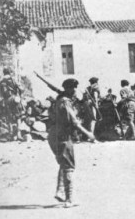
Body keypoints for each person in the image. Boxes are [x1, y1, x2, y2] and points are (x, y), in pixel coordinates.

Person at [47, 78, 95, 208]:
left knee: (64, 163)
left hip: (54, 134)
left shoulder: (60, 100)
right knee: (68, 166)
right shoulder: (65, 102)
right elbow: (74, 122)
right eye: (72, 88)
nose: (74, 91)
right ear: (67, 89)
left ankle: (60, 191)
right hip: (62, 136)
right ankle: (69, 199)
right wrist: (88, 133)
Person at [0, 68, 24, 141]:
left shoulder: (1, 82)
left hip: (7, 100)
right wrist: (20, 96)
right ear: (10, 73)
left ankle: (10, 134)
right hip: (15, 99)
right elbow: (21, 89)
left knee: (9, 117)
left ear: (4, 73)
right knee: (18, 116)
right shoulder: (14, 80)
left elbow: (2, 93)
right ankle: (19, 134)